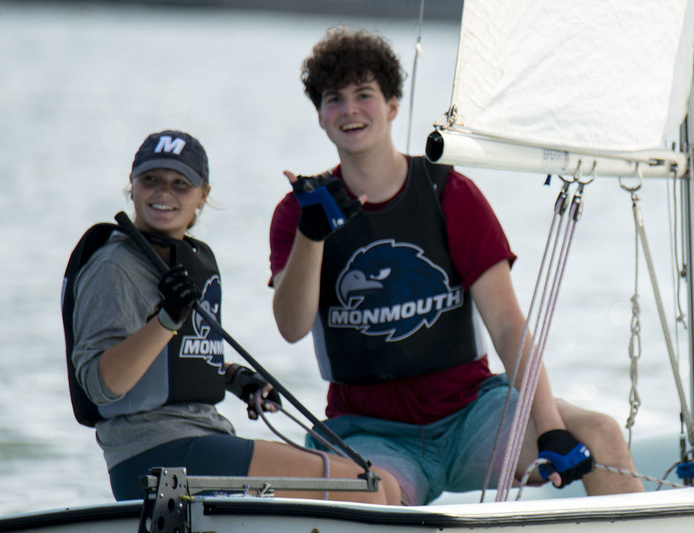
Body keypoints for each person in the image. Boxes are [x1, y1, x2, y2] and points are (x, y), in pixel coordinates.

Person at [268, 27, 645, 506]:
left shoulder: (449, 193)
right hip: (371, 435)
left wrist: (550, 429)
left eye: (364, 95)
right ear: (320, 117)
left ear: (392, 106)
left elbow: (508, 324)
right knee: (369, 492)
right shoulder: (298, 212)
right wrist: (312, 232)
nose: (350, 110)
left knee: (601, 433)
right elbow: (291, 327)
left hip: (472, 417)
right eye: (334, 100)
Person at [63, 129, 401, 505]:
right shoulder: (115, 266)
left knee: (387, 485)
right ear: (133, 185)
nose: (163, 193)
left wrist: (231, 377)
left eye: (180, 184)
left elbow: (173, 365)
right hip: (154, 457)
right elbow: (99, 384)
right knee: (367, 488)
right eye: (151, 180)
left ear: (203, 196)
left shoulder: (190, 258)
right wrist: (167, 321)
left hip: (203, 441)